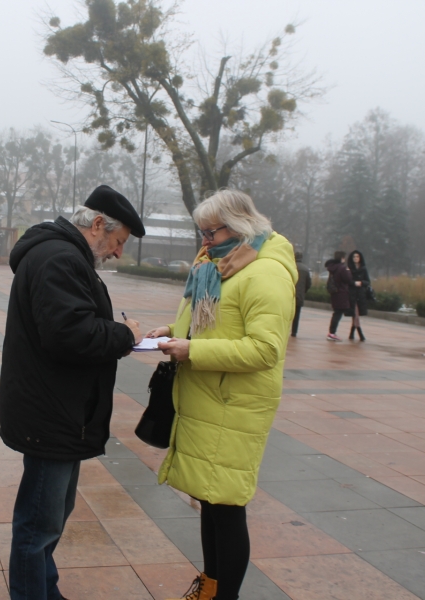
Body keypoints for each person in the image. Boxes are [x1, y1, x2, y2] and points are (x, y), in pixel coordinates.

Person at [146, 189, 296, 600]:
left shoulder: (266, 273)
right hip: (209, 400)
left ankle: (222, 595)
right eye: (202, 232)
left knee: (226, 506)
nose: (205, 241)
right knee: (210, 501)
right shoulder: (219, 266)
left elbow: (265, 350)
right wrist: (172, 332)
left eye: (210, 233)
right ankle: (209, 588)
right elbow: (212, 323)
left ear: (239, 226)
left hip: (234, 405)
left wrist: (193, 351)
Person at [0, 185, 145, 600]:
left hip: (57, 408)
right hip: (52, 412)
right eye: (118, 241)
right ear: (98, 224)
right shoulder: (60, 258)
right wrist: (125, 334)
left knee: (53, 514)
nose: (118, 253)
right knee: (39, 523)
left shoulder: (62, 256)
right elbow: (70, 334)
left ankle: (46, 589)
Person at [325, 250, 353, 342]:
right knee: (338, 313)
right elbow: (348, 279)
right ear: (342, 258)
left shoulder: (333, 267)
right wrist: (348, 271)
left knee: (336, 312)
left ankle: (332, 332)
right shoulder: (342, 268)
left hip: (335, 292)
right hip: (341, 293)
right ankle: (332, 333)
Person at [348, 250, 370, 341]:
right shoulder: (349, 269)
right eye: (354, 257)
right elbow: (347, 281)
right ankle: (360, 333)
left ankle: (352, 333)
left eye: (357, 257)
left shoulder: (363, 269)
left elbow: (367, 281)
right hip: (352, 294)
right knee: (355, 313)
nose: (355, 258)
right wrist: (354, 283)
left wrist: (361, 283)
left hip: (361, 294)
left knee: (355, 313)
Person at [291, 251, 312, 337]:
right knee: (297, 315)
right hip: (299, 295)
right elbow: (309, 284)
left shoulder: (291, 266)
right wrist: (303, 291)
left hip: (289, 294)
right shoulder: (305, 269)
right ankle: (294, 332)